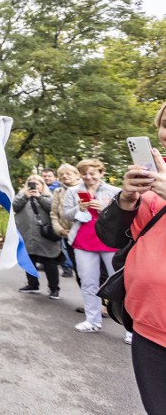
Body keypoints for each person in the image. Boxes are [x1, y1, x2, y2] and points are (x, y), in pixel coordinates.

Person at [96, 101, 166, 413]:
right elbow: (110, 237)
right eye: (165, 125)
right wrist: (125, 200)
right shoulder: (151, 177)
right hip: (148, 324)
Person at [62, 158, 121, 333]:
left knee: (119, 283)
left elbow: (124, 216)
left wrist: (105, 208)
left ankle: (130, 329)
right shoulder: (73, 191)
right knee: (88, 282)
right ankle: (92, 321)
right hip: (84, 240)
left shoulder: (115, 191)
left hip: (110, 241)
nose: (88, 177)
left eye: (92, 173)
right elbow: (67, 215)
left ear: (101, 173)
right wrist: (79, 209)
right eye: (84, 174)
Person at [13, 175, 62, 299]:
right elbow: (15, 206)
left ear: (42, 185)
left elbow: (53, 208)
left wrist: (39, 197)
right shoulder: (22, 196)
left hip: (44, 235)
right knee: (29, 260)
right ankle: (32, 285)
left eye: (37, 184)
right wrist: (26, 196)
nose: (34, 186)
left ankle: (54, 289)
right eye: (31, 183)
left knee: (49, 262)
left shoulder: (49, 196)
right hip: (27, 234)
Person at [50, 163, 80, 278]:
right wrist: (60, 230)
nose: (64, 176)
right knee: (78, 269)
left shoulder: (84, 188)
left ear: (77, 175)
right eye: (61, 174)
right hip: (67, 235)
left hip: (83, 234)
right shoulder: (58, 191)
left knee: (89, 269)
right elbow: (54, 213)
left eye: (68, 173)